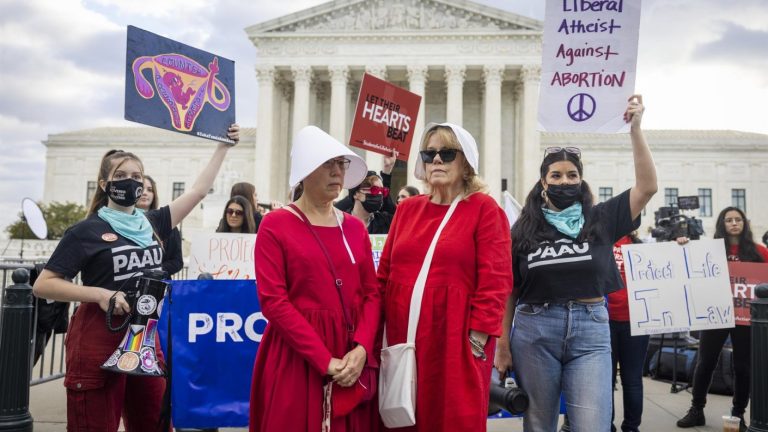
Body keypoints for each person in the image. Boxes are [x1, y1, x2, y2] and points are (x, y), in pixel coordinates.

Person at [31, 125, 239, 432]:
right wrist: (101, 295)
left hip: (146, 339)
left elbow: (196, 192)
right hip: (99, 337)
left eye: (137, 176)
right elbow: (43, 284)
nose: (131, 182)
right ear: (104, 184)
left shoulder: (153, 222)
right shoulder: (85, 231)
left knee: (153, 422)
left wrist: (222, 147)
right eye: (121, 176)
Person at [495, 95, 656, 432]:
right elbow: (509, 288)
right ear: (543, 182)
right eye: (556, 175)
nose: (564, 181)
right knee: (539, 424)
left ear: (581, 181)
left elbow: (647, 187)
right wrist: (503, 343)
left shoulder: (601, 218)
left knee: (592, 424)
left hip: (591, 328)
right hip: (535, 329)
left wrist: (636, 129)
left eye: (572, 175)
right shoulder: (522, 229)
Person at [377, 122, 512, 431]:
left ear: (466, 163)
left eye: (447, 153)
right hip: (402, 337)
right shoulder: (408, 209)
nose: (436, 160)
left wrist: (476, 342)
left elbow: (496, 280)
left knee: (451, 419)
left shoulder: (484, 210)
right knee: (400, 417)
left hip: (455, 339)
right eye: (429, 153)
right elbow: (383, 274)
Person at [249, 125, 381, 431]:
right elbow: (273, 302)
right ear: (307, 171)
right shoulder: (275, 224)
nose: (338, 173)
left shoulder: (355, 228)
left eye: (341, 164)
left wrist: (361, 348)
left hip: (351, 356)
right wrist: (324, 359)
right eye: (328, 164)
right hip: (297, 356)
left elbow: (372, 294)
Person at [676, 206, 768, 431]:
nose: (734, 223)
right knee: (705, 361)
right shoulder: (710, 250)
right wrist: (682, 246)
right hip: (715, 314)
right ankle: (696, 409)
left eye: (738, 219)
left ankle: (738, 415)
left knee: (743, 366)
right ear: (722, 224)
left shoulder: (759, 252)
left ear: (744, 223)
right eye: (729, 220)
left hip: (745, 318)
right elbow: (687, 264)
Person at [607, 231, 648, 432]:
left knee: (632, 379)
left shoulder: (641, 245)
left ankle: (631, 427)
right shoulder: (601, 239)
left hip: (636, 323)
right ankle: (607, 425)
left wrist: (679, 244)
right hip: (604, 322)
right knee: (605, 379)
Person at [137, 175, 184, 277]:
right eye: (141, 188)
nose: (145, 193)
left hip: (159, 285)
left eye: (150, 190)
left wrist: (154, 271)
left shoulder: (169, 224)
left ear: (154, 195)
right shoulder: (121, 224)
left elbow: (177, 262)